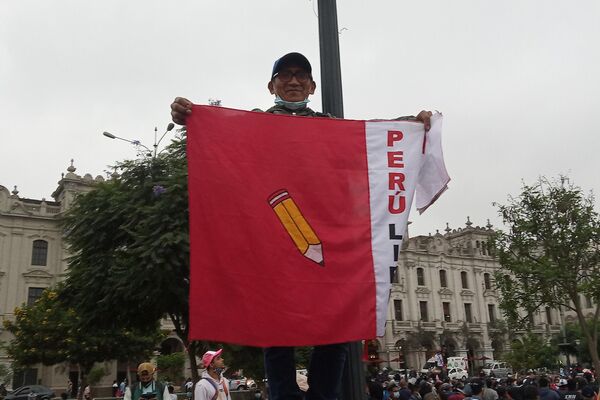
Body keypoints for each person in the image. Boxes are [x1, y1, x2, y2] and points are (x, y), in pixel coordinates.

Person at [171, 51, 433, 400]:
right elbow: (222, 144)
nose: (293, 81)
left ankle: (323, 394)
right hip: (272, 241)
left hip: (325, 233)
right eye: (285, 75)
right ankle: (283, 394)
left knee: (339, 322)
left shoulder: (329, 127)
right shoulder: (253, 127)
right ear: (271, 85)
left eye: (300, 75)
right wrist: (191, 115)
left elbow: (369, 142)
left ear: (311, 86)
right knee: (274, 324)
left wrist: (410, 125)